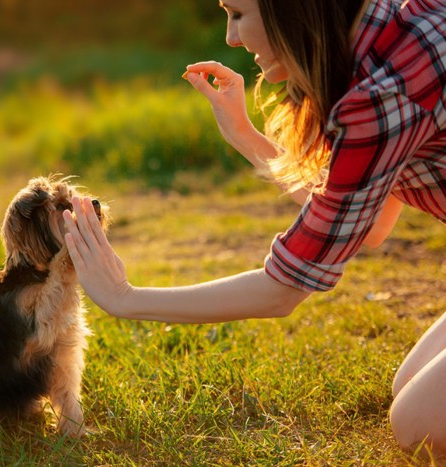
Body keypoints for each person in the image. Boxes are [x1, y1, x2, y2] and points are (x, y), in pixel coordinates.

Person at [62, 0, 446, 457]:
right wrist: (243, 133)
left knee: (417, 426)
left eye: (239, 13)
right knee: (411, 389)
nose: (231, 38)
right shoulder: (391, 34)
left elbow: (283, 289)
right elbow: (370, 223)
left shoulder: (383, 93)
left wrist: (125, 298)